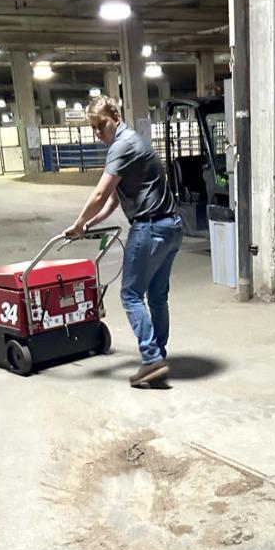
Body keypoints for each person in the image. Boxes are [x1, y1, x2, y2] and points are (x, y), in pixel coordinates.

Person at [65, 96, 183, 388]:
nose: (98, 133)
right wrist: (88, 225)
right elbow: (113, 201)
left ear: (115, 117)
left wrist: (78, 222)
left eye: (101, 125)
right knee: (157, 296)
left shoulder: (122, 145)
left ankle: (152, 358)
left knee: (130, 295)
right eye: (93, 128)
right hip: (171, 226)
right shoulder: (133, 142)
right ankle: (158, 357)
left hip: (150, 228)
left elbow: (100, 194)